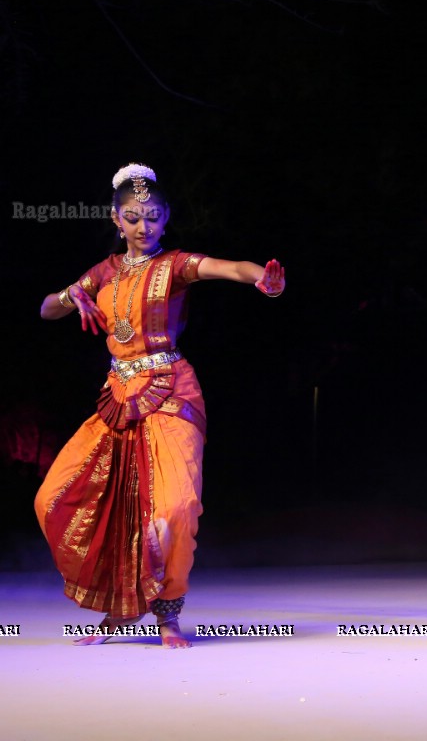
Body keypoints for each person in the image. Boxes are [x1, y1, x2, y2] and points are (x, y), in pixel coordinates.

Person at [34, 162, 286, 649]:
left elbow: (229, 267)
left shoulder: (174, 266)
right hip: (117, 396)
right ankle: (118, 609)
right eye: (132, 217)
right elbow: (47, 307)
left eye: (152, 216)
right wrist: (70, 296)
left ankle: (167, 612)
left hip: (171, 390)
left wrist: (265, 281)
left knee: (174, 506)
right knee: (59, 499)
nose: (142, 227)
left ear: (166, 217)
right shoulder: (103, 273)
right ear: (115, 219)